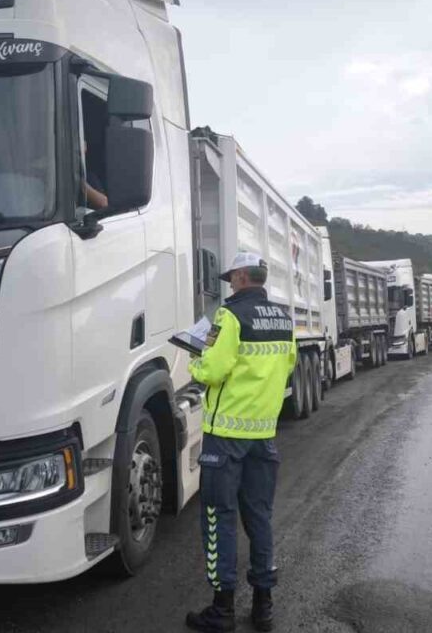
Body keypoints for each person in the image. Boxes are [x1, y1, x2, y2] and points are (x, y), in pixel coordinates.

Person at [185, 251, 297, 633]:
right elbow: (289, 363)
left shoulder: (230, 316)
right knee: (260, 516)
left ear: (241, 277)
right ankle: (264, 607)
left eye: (231, 277)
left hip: (226, 436)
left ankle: (223, 610)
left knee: (219, 516)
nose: (230, 284)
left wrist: (195, 363)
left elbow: (213, 370)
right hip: (263, 434)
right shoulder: (283, 318)